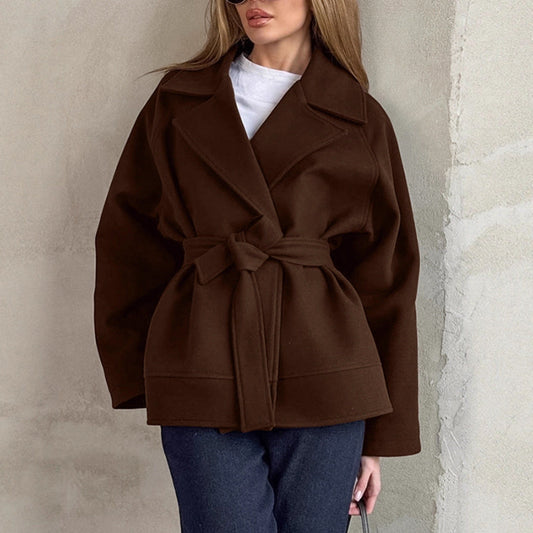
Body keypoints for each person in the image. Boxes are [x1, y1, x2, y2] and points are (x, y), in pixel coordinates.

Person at [93, 1, 422, 531]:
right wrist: (147, 372)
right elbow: (128, 243)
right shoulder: (178, 101)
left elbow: (386, 276)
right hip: (203, 361)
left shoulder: (360, 116)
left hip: (328, 370)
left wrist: (379, 436)